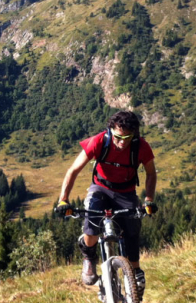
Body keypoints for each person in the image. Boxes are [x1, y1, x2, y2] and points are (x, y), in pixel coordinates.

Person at [56, 111, 157, 298]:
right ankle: (89, 256)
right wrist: (64, 199)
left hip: (126, 192)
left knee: (132, 227)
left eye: (127, 137)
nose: (122, 142)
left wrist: (148, 200)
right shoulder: (99, 141)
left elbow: (151, 173)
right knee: (93, 218)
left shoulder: (140, 146)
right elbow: (73, 170)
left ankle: (134, 271)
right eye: (118, 137)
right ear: (111, 131)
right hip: (100, 188)